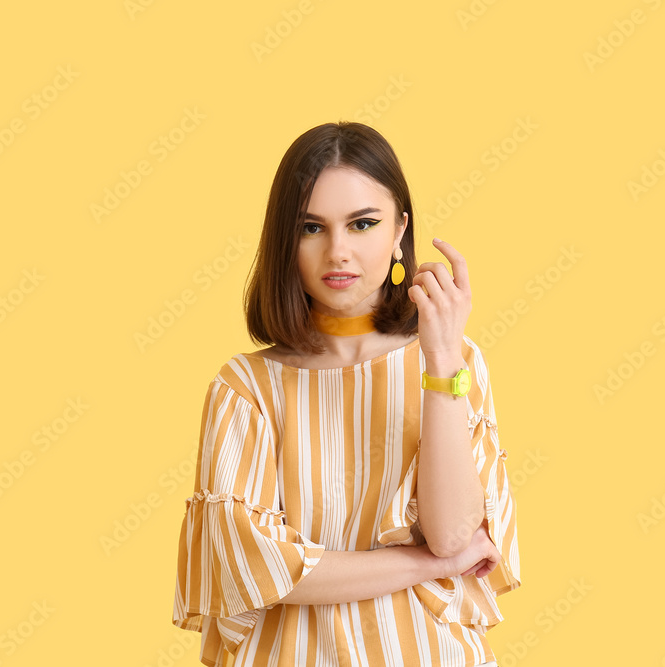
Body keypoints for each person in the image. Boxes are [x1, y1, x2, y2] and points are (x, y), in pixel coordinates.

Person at [171, 121, 521, 666]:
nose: (338, 251)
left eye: (362, 224)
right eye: (312, 228)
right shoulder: (245, 389)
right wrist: (426, 566)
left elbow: (454, 536)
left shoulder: (454, 362)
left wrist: (441, 360)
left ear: (400, 230)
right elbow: (259, 568)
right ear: (285, 240)